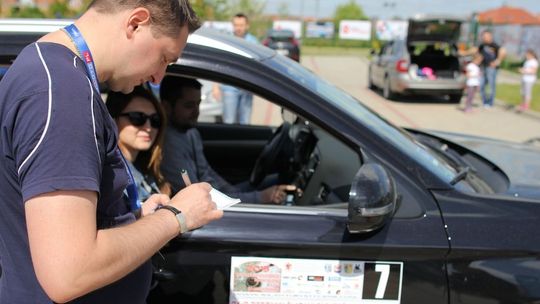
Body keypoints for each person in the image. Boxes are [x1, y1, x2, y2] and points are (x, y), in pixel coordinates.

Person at [0, 1, 222, 303]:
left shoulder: (46, 68)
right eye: (164, 58)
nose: (159, 77)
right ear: (136, 23)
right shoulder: (63, 94)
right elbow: (69, 272)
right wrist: (176, 217)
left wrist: (133, 218)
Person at [160, 75, 296, 204]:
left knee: (274, 181)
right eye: (189, 106)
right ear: (166, 107)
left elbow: (207, 174)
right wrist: (260, 197)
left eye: (198, 104)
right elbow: (193, 195)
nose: (196, 111)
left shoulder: (190, 132)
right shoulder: (168, 146)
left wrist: (235, 193)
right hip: (201, 209)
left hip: (214, 198)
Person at [107, 86, 171, 200]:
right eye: (137, 118)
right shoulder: (113, 178)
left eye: (154, 119)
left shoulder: (145, 169)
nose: (148, 127)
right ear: (113, 121)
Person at [212, 13, 258, 124]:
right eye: (236, 25)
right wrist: (215, 86)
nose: (238, 28)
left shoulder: (253, 42)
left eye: (241, 25)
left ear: (247, 25)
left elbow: (257, 66)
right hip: (229, 88)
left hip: (247, 88)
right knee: (229, 121)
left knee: (245, 123)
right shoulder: (227, 40)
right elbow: (219, 64)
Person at [460, 30, 506, 108]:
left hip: (491, 68)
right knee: (481, 85)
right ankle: (485, 101)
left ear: (490, 36)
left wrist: (498, 61)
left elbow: (503, 51)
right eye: (483, 37)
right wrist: (465, 53)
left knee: (491, 86)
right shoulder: (482, 45)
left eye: (485, 37)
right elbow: (475, 50)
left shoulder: (495, 45)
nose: (484, 38)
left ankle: (490, 102)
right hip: (483, 67)